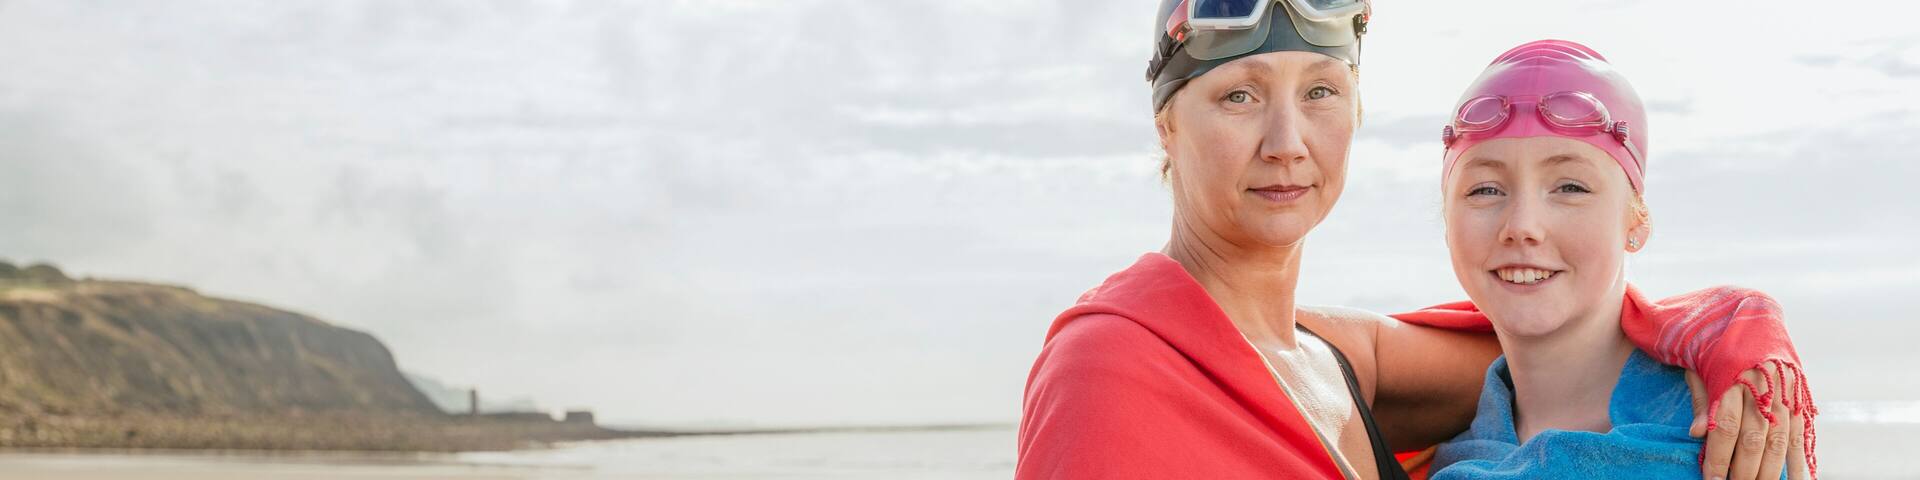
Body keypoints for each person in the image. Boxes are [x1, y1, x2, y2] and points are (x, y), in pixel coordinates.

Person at [1016, 1, 1810, 479]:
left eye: (1321, 91)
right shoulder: (1113, 366)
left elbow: (1566, 342)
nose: (1287, 140)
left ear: (1356, 114)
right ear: (1166, 125)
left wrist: (1737, 320)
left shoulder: (1333, 359)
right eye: (1238, 97)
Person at [1399, 39, 1815, 480]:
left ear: (1635, 221)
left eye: (1570, 187)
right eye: (1485, 189)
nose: (1522, 225)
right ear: (1448, 222)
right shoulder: (1425, 447)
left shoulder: (1725, 438)